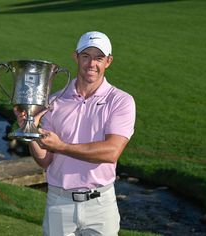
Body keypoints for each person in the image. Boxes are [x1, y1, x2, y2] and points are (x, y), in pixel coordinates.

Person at [15, 31, 136, 236]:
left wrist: (62, 146)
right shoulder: (53, 102)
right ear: (76, 57)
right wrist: (31, 129)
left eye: (98, 58)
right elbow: (45, 160)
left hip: (100, 205)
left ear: (108, 61)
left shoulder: (121, 101)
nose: (91, 64)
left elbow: (111, 152)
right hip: (59, 202)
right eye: (86, 56)